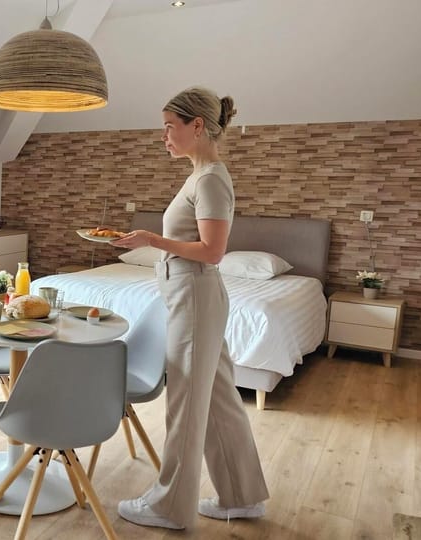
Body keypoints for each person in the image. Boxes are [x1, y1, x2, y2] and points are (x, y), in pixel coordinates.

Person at [112, 87, 270, 530]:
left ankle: (170, 506)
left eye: (169, 127)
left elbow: (213, 251)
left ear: (196, 126)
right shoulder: (200, 175)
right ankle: (242, 496)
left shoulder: (210, 179)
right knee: (219, 400)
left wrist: (152, 240)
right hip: (191, 297)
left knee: (185, 404)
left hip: (195, 299)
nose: (163, 136)